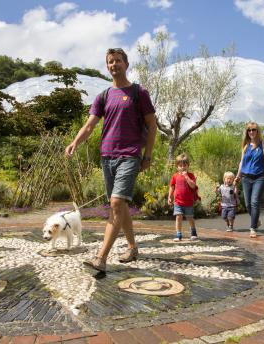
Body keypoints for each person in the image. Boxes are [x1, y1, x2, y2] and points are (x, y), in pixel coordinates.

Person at [65, 48, 157, 272]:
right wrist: (76, 142)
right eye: (110, 62)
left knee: (116, 203)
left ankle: (101, 258)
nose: (114, 65)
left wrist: (148, 156)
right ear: (107, 66)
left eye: (117, 61)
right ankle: (133, 247)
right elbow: (89, 126)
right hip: (107, 156)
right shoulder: (103, 96)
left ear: (126, 64)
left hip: (130, 155)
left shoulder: (138, 93)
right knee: (121, 205)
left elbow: (152, 126)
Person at [234, 122, 264, 238]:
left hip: (260, 177)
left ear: (257, 131)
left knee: (254, 201)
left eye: (253, 129)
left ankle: (253, 228)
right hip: (246, 177)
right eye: (249, 130)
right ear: (247, 132)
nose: (251, 132)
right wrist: (238, 176)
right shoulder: (245, 145)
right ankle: (256, 220)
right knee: (247, 204)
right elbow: (242, 162)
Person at [168, 153, 198, 241]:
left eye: (184, 165)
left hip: (188, 202)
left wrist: (186, 176)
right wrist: (169, 197)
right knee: (178, 217)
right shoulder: (175, 176)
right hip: (178, 201)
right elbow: (172, 187)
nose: (182, 167)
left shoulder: (191, 175)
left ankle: (193, 232)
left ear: (188, 165)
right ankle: (178, 234)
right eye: (180, 165)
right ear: (177, 166)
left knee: (190, 217)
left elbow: (193, 186)